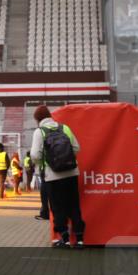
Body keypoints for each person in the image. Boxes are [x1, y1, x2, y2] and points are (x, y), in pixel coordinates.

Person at [29, 104, 84, 248]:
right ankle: (79, 239)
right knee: (74, 205)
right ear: (49, 115)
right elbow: (77, 148)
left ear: (38, 119)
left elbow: (34, 155)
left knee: (58, 208)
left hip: (52, 176)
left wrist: (46, 162)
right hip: (71, 173)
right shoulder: (65, 128)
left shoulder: (39, 132)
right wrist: (65, 160)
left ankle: (64, 239)